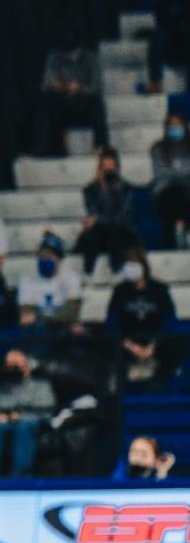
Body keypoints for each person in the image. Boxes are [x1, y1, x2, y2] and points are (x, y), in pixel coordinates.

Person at [0, 349, 57, 476]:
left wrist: (18, 415)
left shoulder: (41, 386)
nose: (13, 368)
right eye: (9, 365)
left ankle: (20, 475)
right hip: (5, 420)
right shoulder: (3, 388)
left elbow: (48, 406)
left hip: (32, 419)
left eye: (16, 364)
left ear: (27, 366)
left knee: (24, 425)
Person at [106, 250, 180, 389]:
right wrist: (130, 346)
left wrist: (152, 346)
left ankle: (158, 384)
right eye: (127, 264)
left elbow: (169, 321)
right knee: (106, 345)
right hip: (128, 342)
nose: (129, 268)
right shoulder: (119, 291)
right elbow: (112, 323)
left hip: (155, 341)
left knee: (177, 345)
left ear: (143, 266)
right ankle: (121, 391)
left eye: (133, 263)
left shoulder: (160, 289)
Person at [76, 148, 140, 278]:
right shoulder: (90, 189)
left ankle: (116, 271)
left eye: (111, 166)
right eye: (105, 167)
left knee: (114, 232)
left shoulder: (126, 188)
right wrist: (102, 189)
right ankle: (88, 273)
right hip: (100, 232)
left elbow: (122, 216)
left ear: (117, 167)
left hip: (121, 231)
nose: (108, 170)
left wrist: (99, 219)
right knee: (92, 235)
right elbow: (92, 212)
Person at [17, 232, 82, 324]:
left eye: (50, 254)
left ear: (59, 258)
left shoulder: (71, 278)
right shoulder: (27, 280)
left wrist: (39, 316)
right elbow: (25, 314)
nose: (45, 258)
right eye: (42, 254)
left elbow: (72, 313)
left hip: (62, 328)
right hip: (38, 330)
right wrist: (58, 316)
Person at [150, 117, 190, 247]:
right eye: (172, 125)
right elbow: (161, 174)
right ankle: (179, 231)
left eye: (177, 125)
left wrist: (177, 172)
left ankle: (181, 229)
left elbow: (174, 172)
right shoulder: (159, 148)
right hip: (165, 192)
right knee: (176, 193)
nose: (175, 128)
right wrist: (182, 174)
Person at [112, 435, 176, 481]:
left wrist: (162, 470)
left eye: (143, 453)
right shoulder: (120, 475)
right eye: (134, 452)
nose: (138, 457)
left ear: (155, 458)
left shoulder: (161, 478)